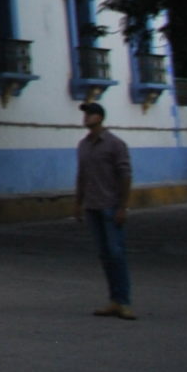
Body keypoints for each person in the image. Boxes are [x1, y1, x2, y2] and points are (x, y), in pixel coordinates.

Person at [74, 101, 133, 318]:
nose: (85, 118)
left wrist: (122, 206)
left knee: (116, 254)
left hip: (110, 205)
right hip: (92, 206)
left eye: (89, 114)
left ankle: (123, 301)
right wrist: (78, 203)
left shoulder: (115, 144)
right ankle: (113, 299)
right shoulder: (83, 145)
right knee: (105, 255)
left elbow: (125, 176)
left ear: (99, 117)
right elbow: (81, 176)